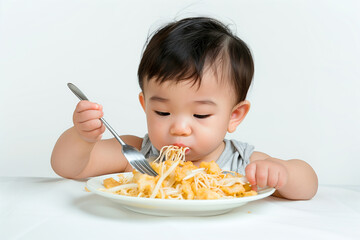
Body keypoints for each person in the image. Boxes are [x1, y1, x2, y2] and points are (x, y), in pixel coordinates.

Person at [51, 17, 318, 200]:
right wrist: (82, 137)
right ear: (145, 106)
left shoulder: (243, 163)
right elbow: (68, 168)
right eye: (162, 113)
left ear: (233, 116)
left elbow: (309, 185)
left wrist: (282, 172)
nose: (178, 128)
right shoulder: (137, 155)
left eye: (200, 114)